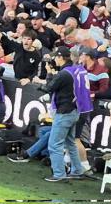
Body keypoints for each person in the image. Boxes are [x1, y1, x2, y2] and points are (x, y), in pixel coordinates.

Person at [40, 46, 87, 182]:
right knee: (70, 142)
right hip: (74, 110)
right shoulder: (74, 70)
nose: (54, 59)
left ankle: (59, 174)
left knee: (54, 144)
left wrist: (48, 73)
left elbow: (48, 88)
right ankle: (77, 170)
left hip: (65, 112)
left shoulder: (64, 73)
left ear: (61, 57)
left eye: (55, 56)